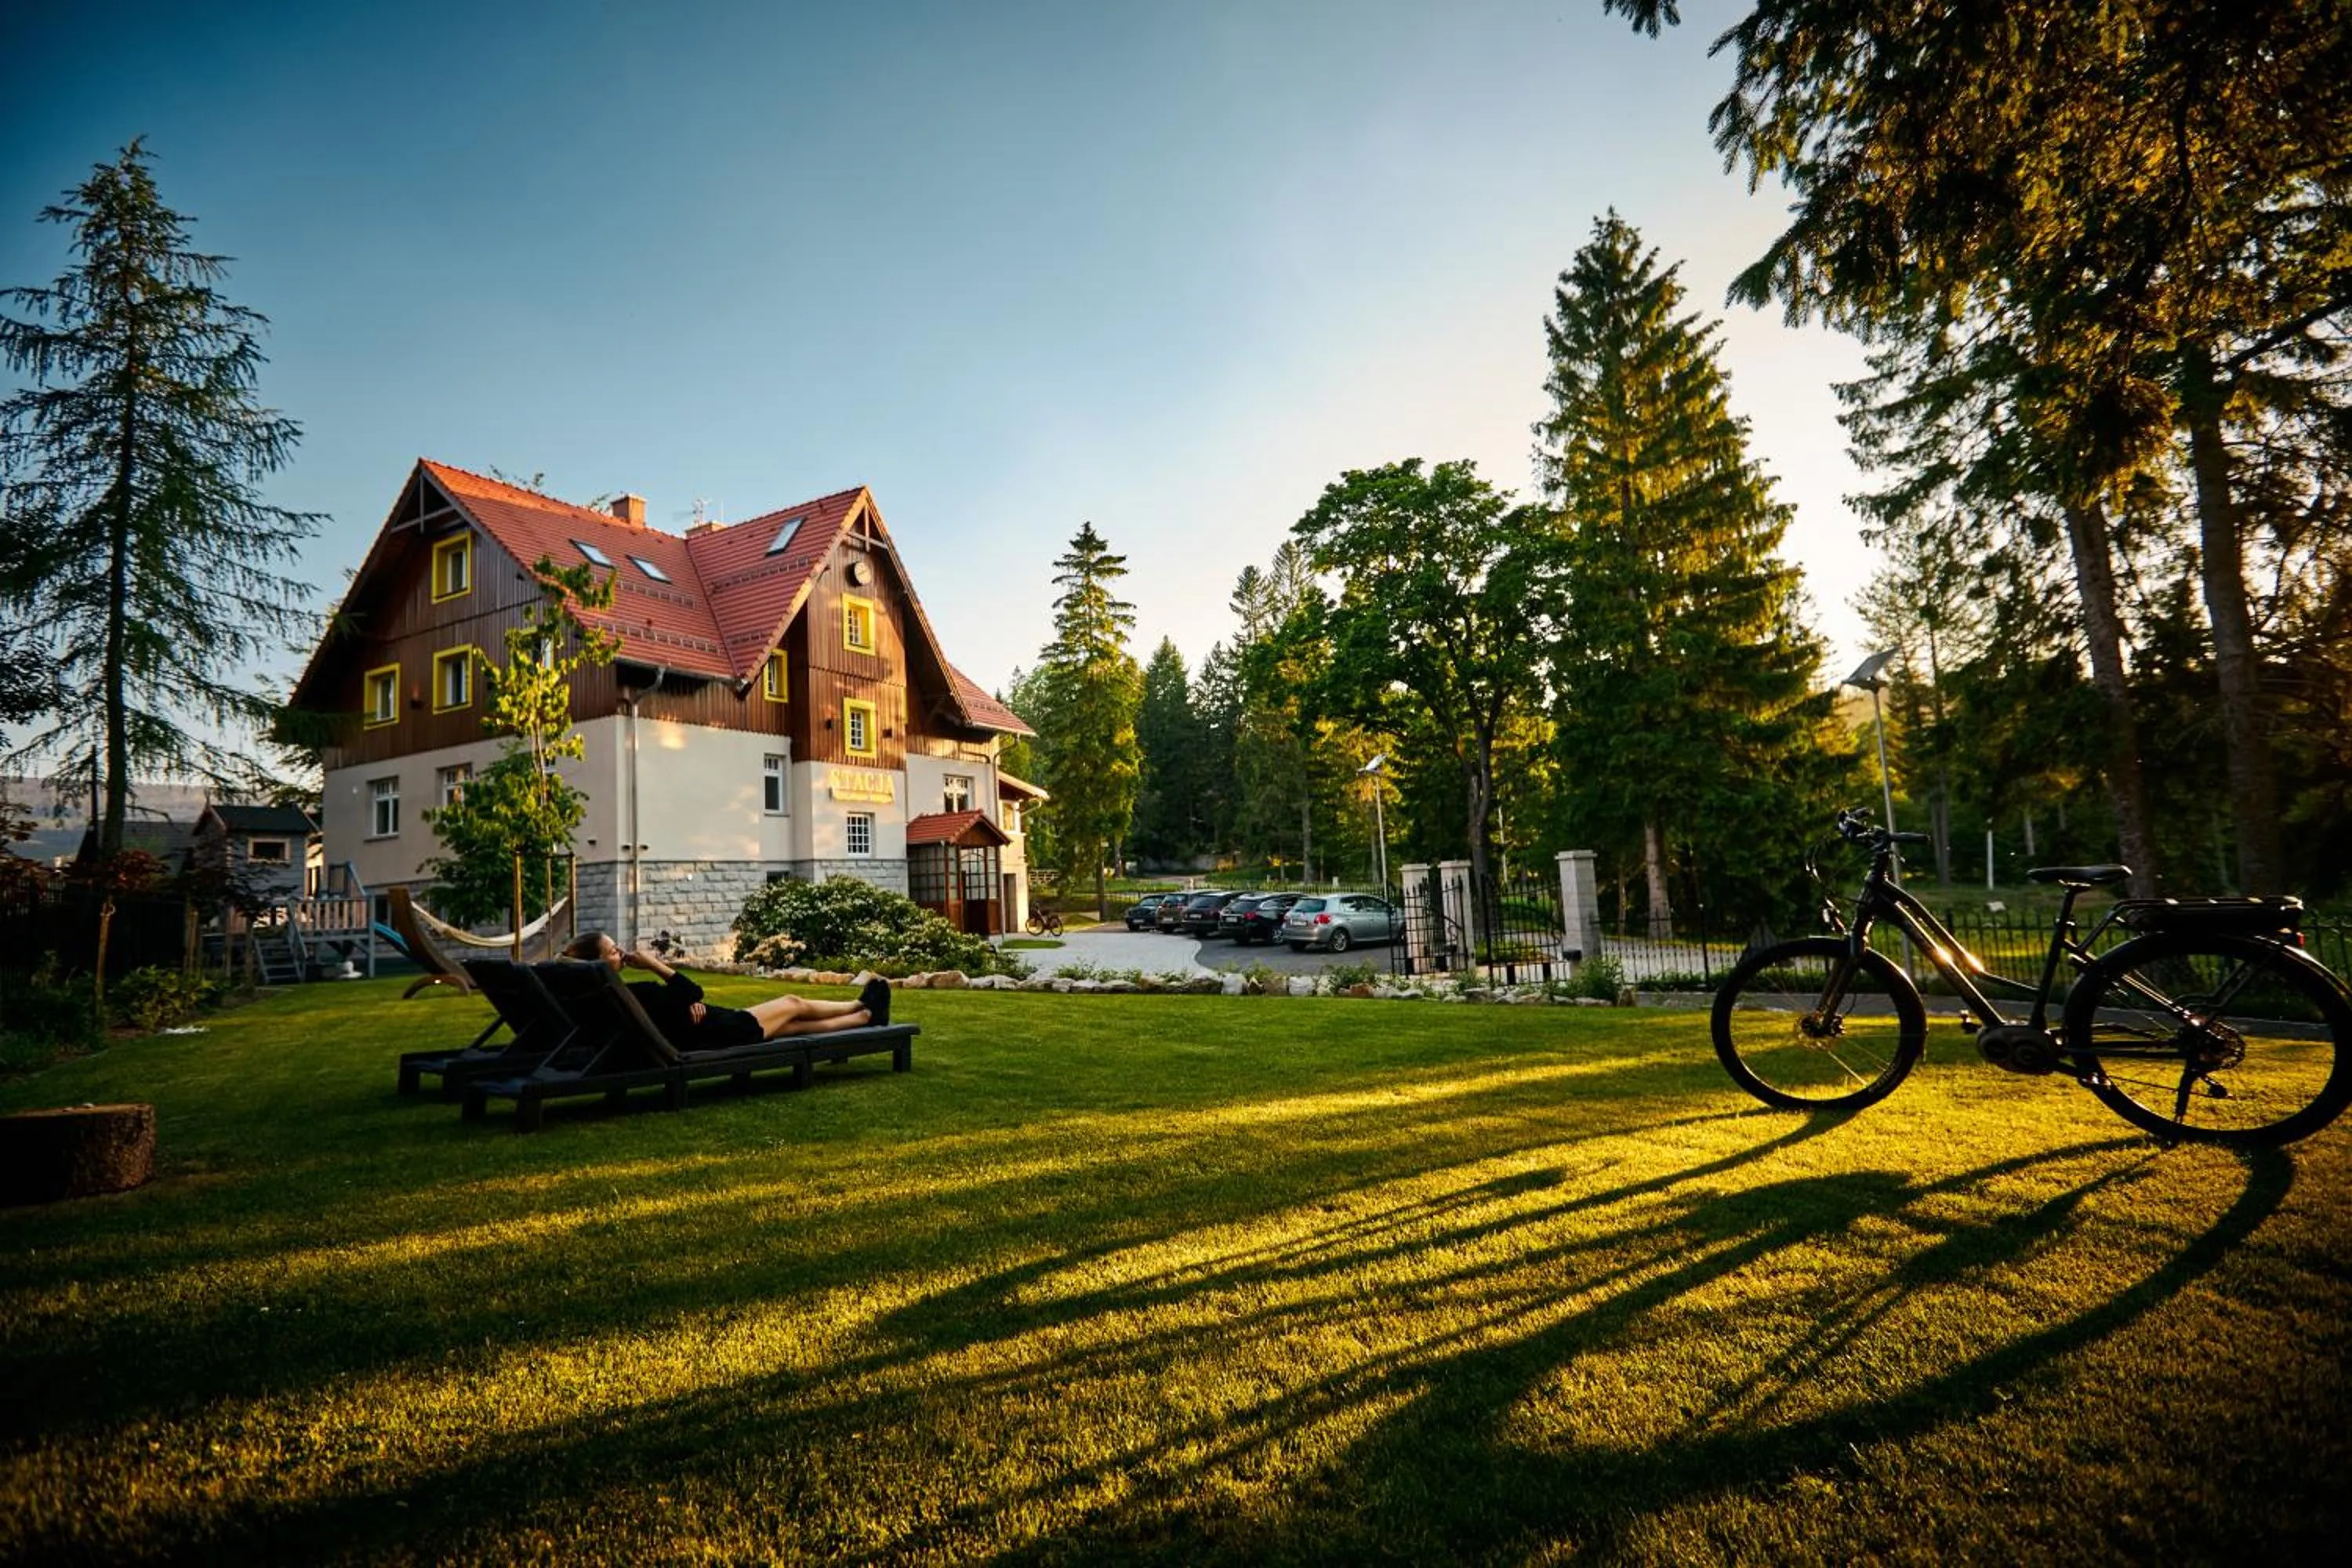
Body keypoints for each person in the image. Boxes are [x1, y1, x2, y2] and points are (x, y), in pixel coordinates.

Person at [561, 931, 890, 1049]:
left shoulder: (603, 998)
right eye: (614, 951)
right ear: (598, 964)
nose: (621, 953)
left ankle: (865, 1018)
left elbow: (682, 1001)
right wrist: (654, 964)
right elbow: (693, 990)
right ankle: (856, 1002)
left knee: (792, 1026)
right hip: (719, 1032)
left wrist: (686, 1005)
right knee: (792, 1002)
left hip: (704, 1030)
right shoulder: (638, 990)